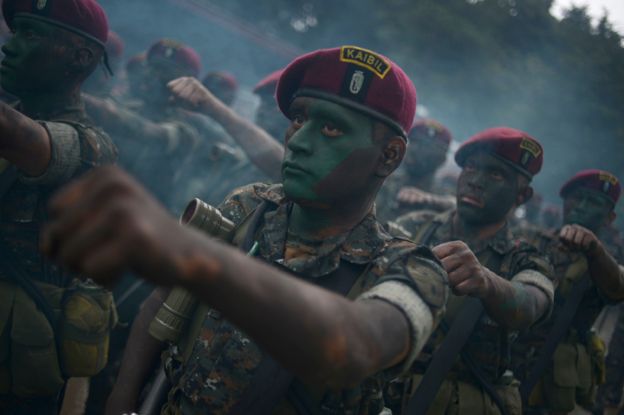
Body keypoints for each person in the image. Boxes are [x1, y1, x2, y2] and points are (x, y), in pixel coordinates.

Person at [43, 45, 450, 415]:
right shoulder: (251, 205)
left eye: (331, 128)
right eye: (299, 118)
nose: (298, 140)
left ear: (389, 156)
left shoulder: (412, 269)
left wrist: (192, 257)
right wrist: (122, 396)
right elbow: (162, 303)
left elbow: (352, 346)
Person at [0, 0, 118, 413]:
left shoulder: (94, 147)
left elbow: (28, 142)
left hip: (16, 379)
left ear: (80, 57)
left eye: (30, 35)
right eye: (15, 32)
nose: (9, 46)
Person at [389, 127, 555, 415]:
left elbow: (529, 306)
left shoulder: (525, 259)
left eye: (496, 175)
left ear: (522, 196)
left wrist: (488, 283)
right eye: (470, 168)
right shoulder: (416, 226)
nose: (476, 182)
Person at [512, 169, 624, 414]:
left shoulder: (605, 261)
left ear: (609, 217)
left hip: (555, 376)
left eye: (594, 202)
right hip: (509, 358)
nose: (582, 207)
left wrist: (594, 250)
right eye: (577, 198)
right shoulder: (531, 238)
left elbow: (617, 289)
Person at [376, 118, 455, 222]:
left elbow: (456, 206)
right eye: (416, 143)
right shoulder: (383, 177)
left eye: (429, 149)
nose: (418, 152)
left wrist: (432, 201)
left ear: (442, 159)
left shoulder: (443, 196)